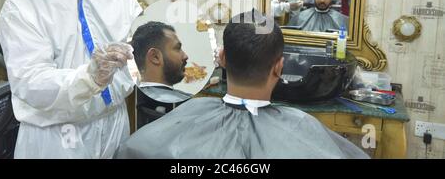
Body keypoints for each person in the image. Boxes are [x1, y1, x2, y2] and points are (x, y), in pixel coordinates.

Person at [114, 10, 368, 159]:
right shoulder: (302, 127)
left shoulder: (187, 116)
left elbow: (133, 149)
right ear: (279, 67)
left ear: (222, 59)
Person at [0, 0, 142, 158]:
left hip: (114, 125)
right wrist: (90, 78)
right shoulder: (23, 6)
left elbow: (139, 57)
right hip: (56, 136)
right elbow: (31, 81)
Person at [130, 22, 190, 128]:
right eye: (177, 48)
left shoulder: (130, 97)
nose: (185, 56)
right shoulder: (187, 104)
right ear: (155, 57)